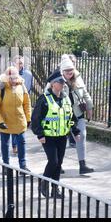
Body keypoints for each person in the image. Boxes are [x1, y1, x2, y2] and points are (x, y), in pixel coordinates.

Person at [31, 70, 80, 199]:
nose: (63, 84)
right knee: (53, 161)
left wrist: (75, 131)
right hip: (48, 137)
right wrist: (40, 134)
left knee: (59, 164)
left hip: (62, 137)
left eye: (63, 82)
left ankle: (55, 189)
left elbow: (70, 117)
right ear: (53, 84)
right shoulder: (44, 99)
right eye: (60, 82)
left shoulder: (66, 99)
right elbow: (35, 119)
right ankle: (44, 183)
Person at [0, 67, 31, 171]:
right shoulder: (1, 87)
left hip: (19, 120)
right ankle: (6, 166)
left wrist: (28, 118)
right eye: (11, 78)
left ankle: (23, 166)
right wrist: (0, 121)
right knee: (5, 144)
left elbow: (26, 103)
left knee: (21, 143)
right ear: (6, 77)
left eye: (15, 77)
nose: (14, 80)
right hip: (5, 121)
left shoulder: (22, 85)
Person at [60, 55, 95, 174]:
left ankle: (82, 164)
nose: (70, 72)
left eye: (71, 70)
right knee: (61, 140)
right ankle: (57, 164)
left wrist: (89, 107)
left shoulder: (78, 78)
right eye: (67, 70)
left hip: (77, 113)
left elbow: (85, 93)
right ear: (62, 71)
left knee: (82, 136)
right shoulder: (56, 80)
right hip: (62, 115)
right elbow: (47, 95)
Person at [10, 55, 34, 154]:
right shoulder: (9, 74)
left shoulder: (28, 74)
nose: (20, 65)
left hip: (23, 102)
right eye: (18, 63)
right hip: (11, 103)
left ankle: (20, 143)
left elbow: (29, 88)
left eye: (21, 63)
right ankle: (14, 145)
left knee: (22, 124)